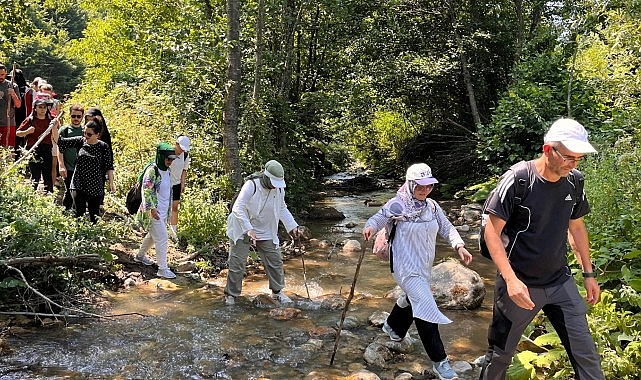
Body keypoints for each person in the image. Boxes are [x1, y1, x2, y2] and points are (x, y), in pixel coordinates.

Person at [480, 118, 604, 380]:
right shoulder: (518, 180)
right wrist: (511, 281)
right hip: (520, 286)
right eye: (569, 157)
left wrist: (589, 274)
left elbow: (577, 228)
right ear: (548, 150)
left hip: (560, 282)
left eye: (579, 159)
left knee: (586, 354)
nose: (573, 164)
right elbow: (491, 232)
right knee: (500, 355)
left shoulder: (574, 182)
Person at [362, 163, 473, 380]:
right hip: (403, 267)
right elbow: (378, 218)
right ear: (410, 184)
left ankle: (393, 327)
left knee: (414, 298)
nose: (424, 190)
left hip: (423, 267)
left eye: (428, 186)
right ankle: (440, 362)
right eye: (419, 186)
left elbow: (446, 227)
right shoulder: (397, 205)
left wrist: (459, 246)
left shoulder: (431, 207)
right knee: (425, 308)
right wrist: (370, 227)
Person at [224, 160, 303, 306]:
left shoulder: (279, 189)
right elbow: (237, 208)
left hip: (265, 229)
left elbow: (282, 208)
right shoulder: (251, 185)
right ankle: (231, 295)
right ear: (266, 177)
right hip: (242, 227)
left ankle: (277, 292)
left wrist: (293, 226)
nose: (274, 186)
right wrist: (249, 229)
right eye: (273, 182)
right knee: (238, 263)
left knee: (274, 260)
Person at [52, 120, 115, 223]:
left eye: (89, 134)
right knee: (78, 213)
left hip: (95, 186)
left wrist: (111, 183)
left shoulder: (103, 147)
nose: (86, 136)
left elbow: (109, 166)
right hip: (78, 184)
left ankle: (92, 236)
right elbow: (60, 141)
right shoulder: (80, 141)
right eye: (84, 132)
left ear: (97, 135)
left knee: (94, 216)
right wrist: (54, 128)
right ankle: (78, 235)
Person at [133, 143, 178, 279]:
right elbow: (146, 190)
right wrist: (152, 209)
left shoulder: (167, 171)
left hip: (163, 212)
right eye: (168, 159)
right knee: (162, 238)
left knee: (153, 236)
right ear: (160, 156)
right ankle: (162, 269)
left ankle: (140, 256)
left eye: (172, 159)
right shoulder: (153, 170)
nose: (170, 162)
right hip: (152, 212)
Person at [16, 98, 55, 193]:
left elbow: (57, 132)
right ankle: (32, 195)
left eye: (44, 107)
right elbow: (18, 133)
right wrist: (27, 131)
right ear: (35, 108)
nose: (42, 109)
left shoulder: (51, 120)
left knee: (47, 175)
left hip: (46, 148)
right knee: (35, 175)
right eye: (40, 107)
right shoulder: (30, 120)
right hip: (33, 149)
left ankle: (49, 195)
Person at [57, 104, 85, 210]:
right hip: (68, 166)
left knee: (80, 192)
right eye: (74, 116)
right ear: (70, 115)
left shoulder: (85, 131)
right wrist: (61, 165)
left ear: (82, 116)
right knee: (69, 190)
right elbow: (60, 149)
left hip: (82, 167)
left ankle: (77, 215)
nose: (76, 119)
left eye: (78, 116)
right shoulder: (65, 130)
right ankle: (65, 213)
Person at [168, 135, 191, 241]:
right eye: (180, 148)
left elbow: (184, 170)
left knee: (175, 207)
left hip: (176, 184)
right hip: (166, 182)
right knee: (161, 206)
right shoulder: (168, 152)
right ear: (176, 144)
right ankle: (154, 228)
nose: (182, 150)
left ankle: (173, 232)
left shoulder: (185, 155)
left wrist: (182, 183)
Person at [0, 63, 22, 148]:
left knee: (9, 148)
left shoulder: (12, 85)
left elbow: (18, 105)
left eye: (2, 74)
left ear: (6, 73)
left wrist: (13, 94)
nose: (0, 77)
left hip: (8, 123)